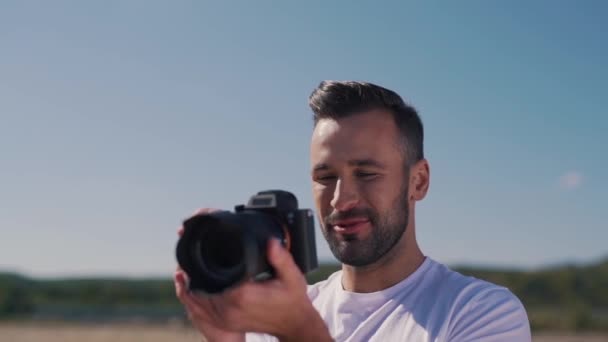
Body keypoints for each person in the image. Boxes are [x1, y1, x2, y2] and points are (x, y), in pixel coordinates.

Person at [174, 80, 532, 341]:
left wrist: (300, 333)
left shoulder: (479, 312)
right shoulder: (278, 317)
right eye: (325, 176)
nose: (340, 200)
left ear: (418, 181)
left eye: (367, 173)